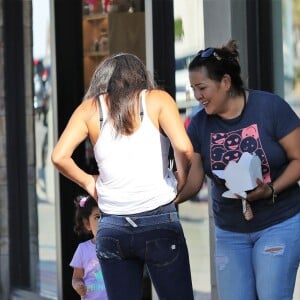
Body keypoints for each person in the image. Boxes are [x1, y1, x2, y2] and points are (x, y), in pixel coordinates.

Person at [51, 53, 194, 299]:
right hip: (158, 217)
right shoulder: (158, 100)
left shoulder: (90, 109)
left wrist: (88, 181)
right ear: (141, 76)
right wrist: (180, 178)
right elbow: (185, 148)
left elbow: (59, 156)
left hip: (113, 224)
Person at [175, 39, 300, 300]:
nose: (197, 96)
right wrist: (167, 198)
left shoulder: (270, 108)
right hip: (230, 231)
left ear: (226, 83)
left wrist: (271, 189)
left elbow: (299, 158)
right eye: (193, 89)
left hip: (279, 223)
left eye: (202, 87)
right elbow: (195, 179)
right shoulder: (199, 124)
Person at [70, 195, 108, 300]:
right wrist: (78, 285)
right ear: (87, 224)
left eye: (107, 216)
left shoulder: (119, 247)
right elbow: (76, 278)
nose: (103, 221)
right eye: (97, 217)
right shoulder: (83, 249)